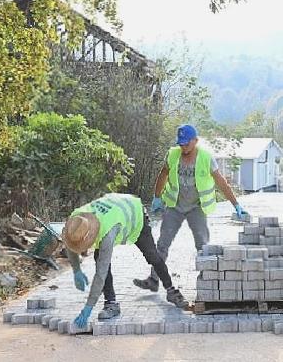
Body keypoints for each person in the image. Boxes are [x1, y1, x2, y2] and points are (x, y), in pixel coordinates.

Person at [133, 124, 249, 292]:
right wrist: (157, 197)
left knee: (202, 244)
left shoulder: (206, 158)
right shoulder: (173, 154)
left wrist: (236, 204)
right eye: (180, 143)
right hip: (175, 206)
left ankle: (207, 280)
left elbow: (221, 182)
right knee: (162, 244)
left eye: (186, 144)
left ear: (195, 141)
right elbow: (163, 174)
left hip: (197, 207)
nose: (183, 147)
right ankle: (153, 279)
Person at [62, 193, 185, 328]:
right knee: (99, 258)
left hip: (135, 215)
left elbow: (100, 274)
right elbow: (70, 243)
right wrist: (76, 271)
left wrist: (88, 308)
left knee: (152, 256)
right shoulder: (76, 219)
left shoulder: (107, 234)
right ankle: (111, 303)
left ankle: (171, 291)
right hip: (114, 208)